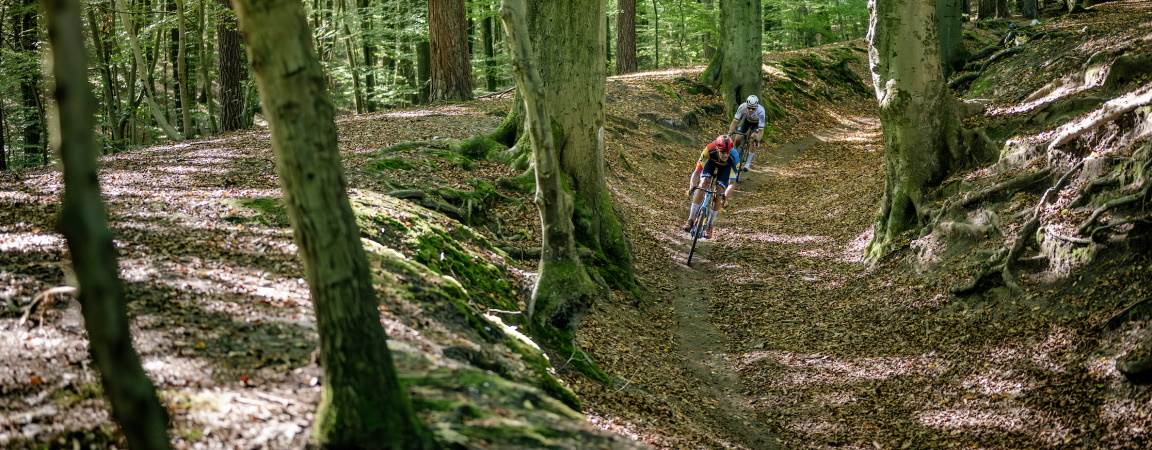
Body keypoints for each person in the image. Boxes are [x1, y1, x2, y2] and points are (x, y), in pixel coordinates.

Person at [683, 134, 735, 239]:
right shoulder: (709, 149)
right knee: (702, 184)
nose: (725, 155)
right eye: (723, 152)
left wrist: (725, 196)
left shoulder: (734, 157)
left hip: (726, 169)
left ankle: (710, 226)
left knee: (719, 193)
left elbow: (732, 183)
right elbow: (697, 171)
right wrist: (692, 186)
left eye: (727, 153)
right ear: (717, 149)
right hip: (711, 164)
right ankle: (691, 219)